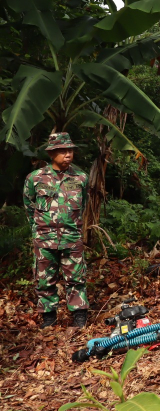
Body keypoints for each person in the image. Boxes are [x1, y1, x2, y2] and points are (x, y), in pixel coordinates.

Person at [23, 133, 89, 329]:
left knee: (76, 279)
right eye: (63, 151)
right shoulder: (35, 178)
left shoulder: (80, 178)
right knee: (44, 280)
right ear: (52, 153)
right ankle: (48, 317)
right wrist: (37, 229)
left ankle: (79, 316)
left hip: (71, 237)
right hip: (44, 239)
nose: (68, 154)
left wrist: (75, 228)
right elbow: (29, 204)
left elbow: (82, 204)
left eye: (70, 150)